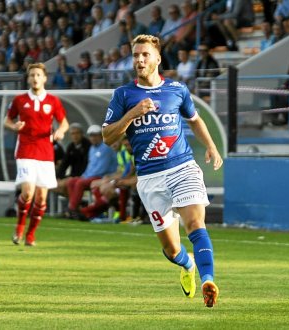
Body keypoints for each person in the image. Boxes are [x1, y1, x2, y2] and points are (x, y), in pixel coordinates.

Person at [102, 34, 223, 308]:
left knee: (195, 224)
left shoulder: (177, 90)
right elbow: (108, 137)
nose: (140, 59)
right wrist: (132, 114)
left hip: (182, 167)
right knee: (171, 249)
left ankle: (208, 280)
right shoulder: (123, 95)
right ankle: (187, 264)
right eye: (135, 55)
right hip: (149, 179)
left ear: (157, 59)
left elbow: (194, 120)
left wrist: (212, 147)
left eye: (145, 54)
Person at [4, 62, 69, 246]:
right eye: (32, 75)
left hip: (45, 152)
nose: (35, 78)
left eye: (38, 75)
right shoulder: (19, 100)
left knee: (41, 198)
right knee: (28, 192)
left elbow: (64, 123)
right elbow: (6, 120)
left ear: (44, 78)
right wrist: (13, 126)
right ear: (28, 78)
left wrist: (60, 131)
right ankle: (18, 229)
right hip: (25, 150)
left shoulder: (53, 101)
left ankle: (30, 235)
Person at [65, 124, 118, 219]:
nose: (93, 138)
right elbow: (90, 166)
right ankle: (76, 207)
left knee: (80, 183)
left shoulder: (105, 148)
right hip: (92, 176)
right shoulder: (92, 148)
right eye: (91, 135)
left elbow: (101, 169)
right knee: (71, 182)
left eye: (95, 135)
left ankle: (72, 209)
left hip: (104, 176)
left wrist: (85, 177)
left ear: (100, 136)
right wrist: (84, 175)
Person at [53, 122, 91, 197]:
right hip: (73, 175)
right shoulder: (71, 147)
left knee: (64, 185)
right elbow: (64, 163)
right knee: (55, 185)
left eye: (77, 133)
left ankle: (75, 204)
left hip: (84, 176)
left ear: (82, 134)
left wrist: (73, 177)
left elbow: (86, 164)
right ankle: (75, 204)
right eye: (73, 134)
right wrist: (59, 177)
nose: (75, 136)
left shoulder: (88, 145)